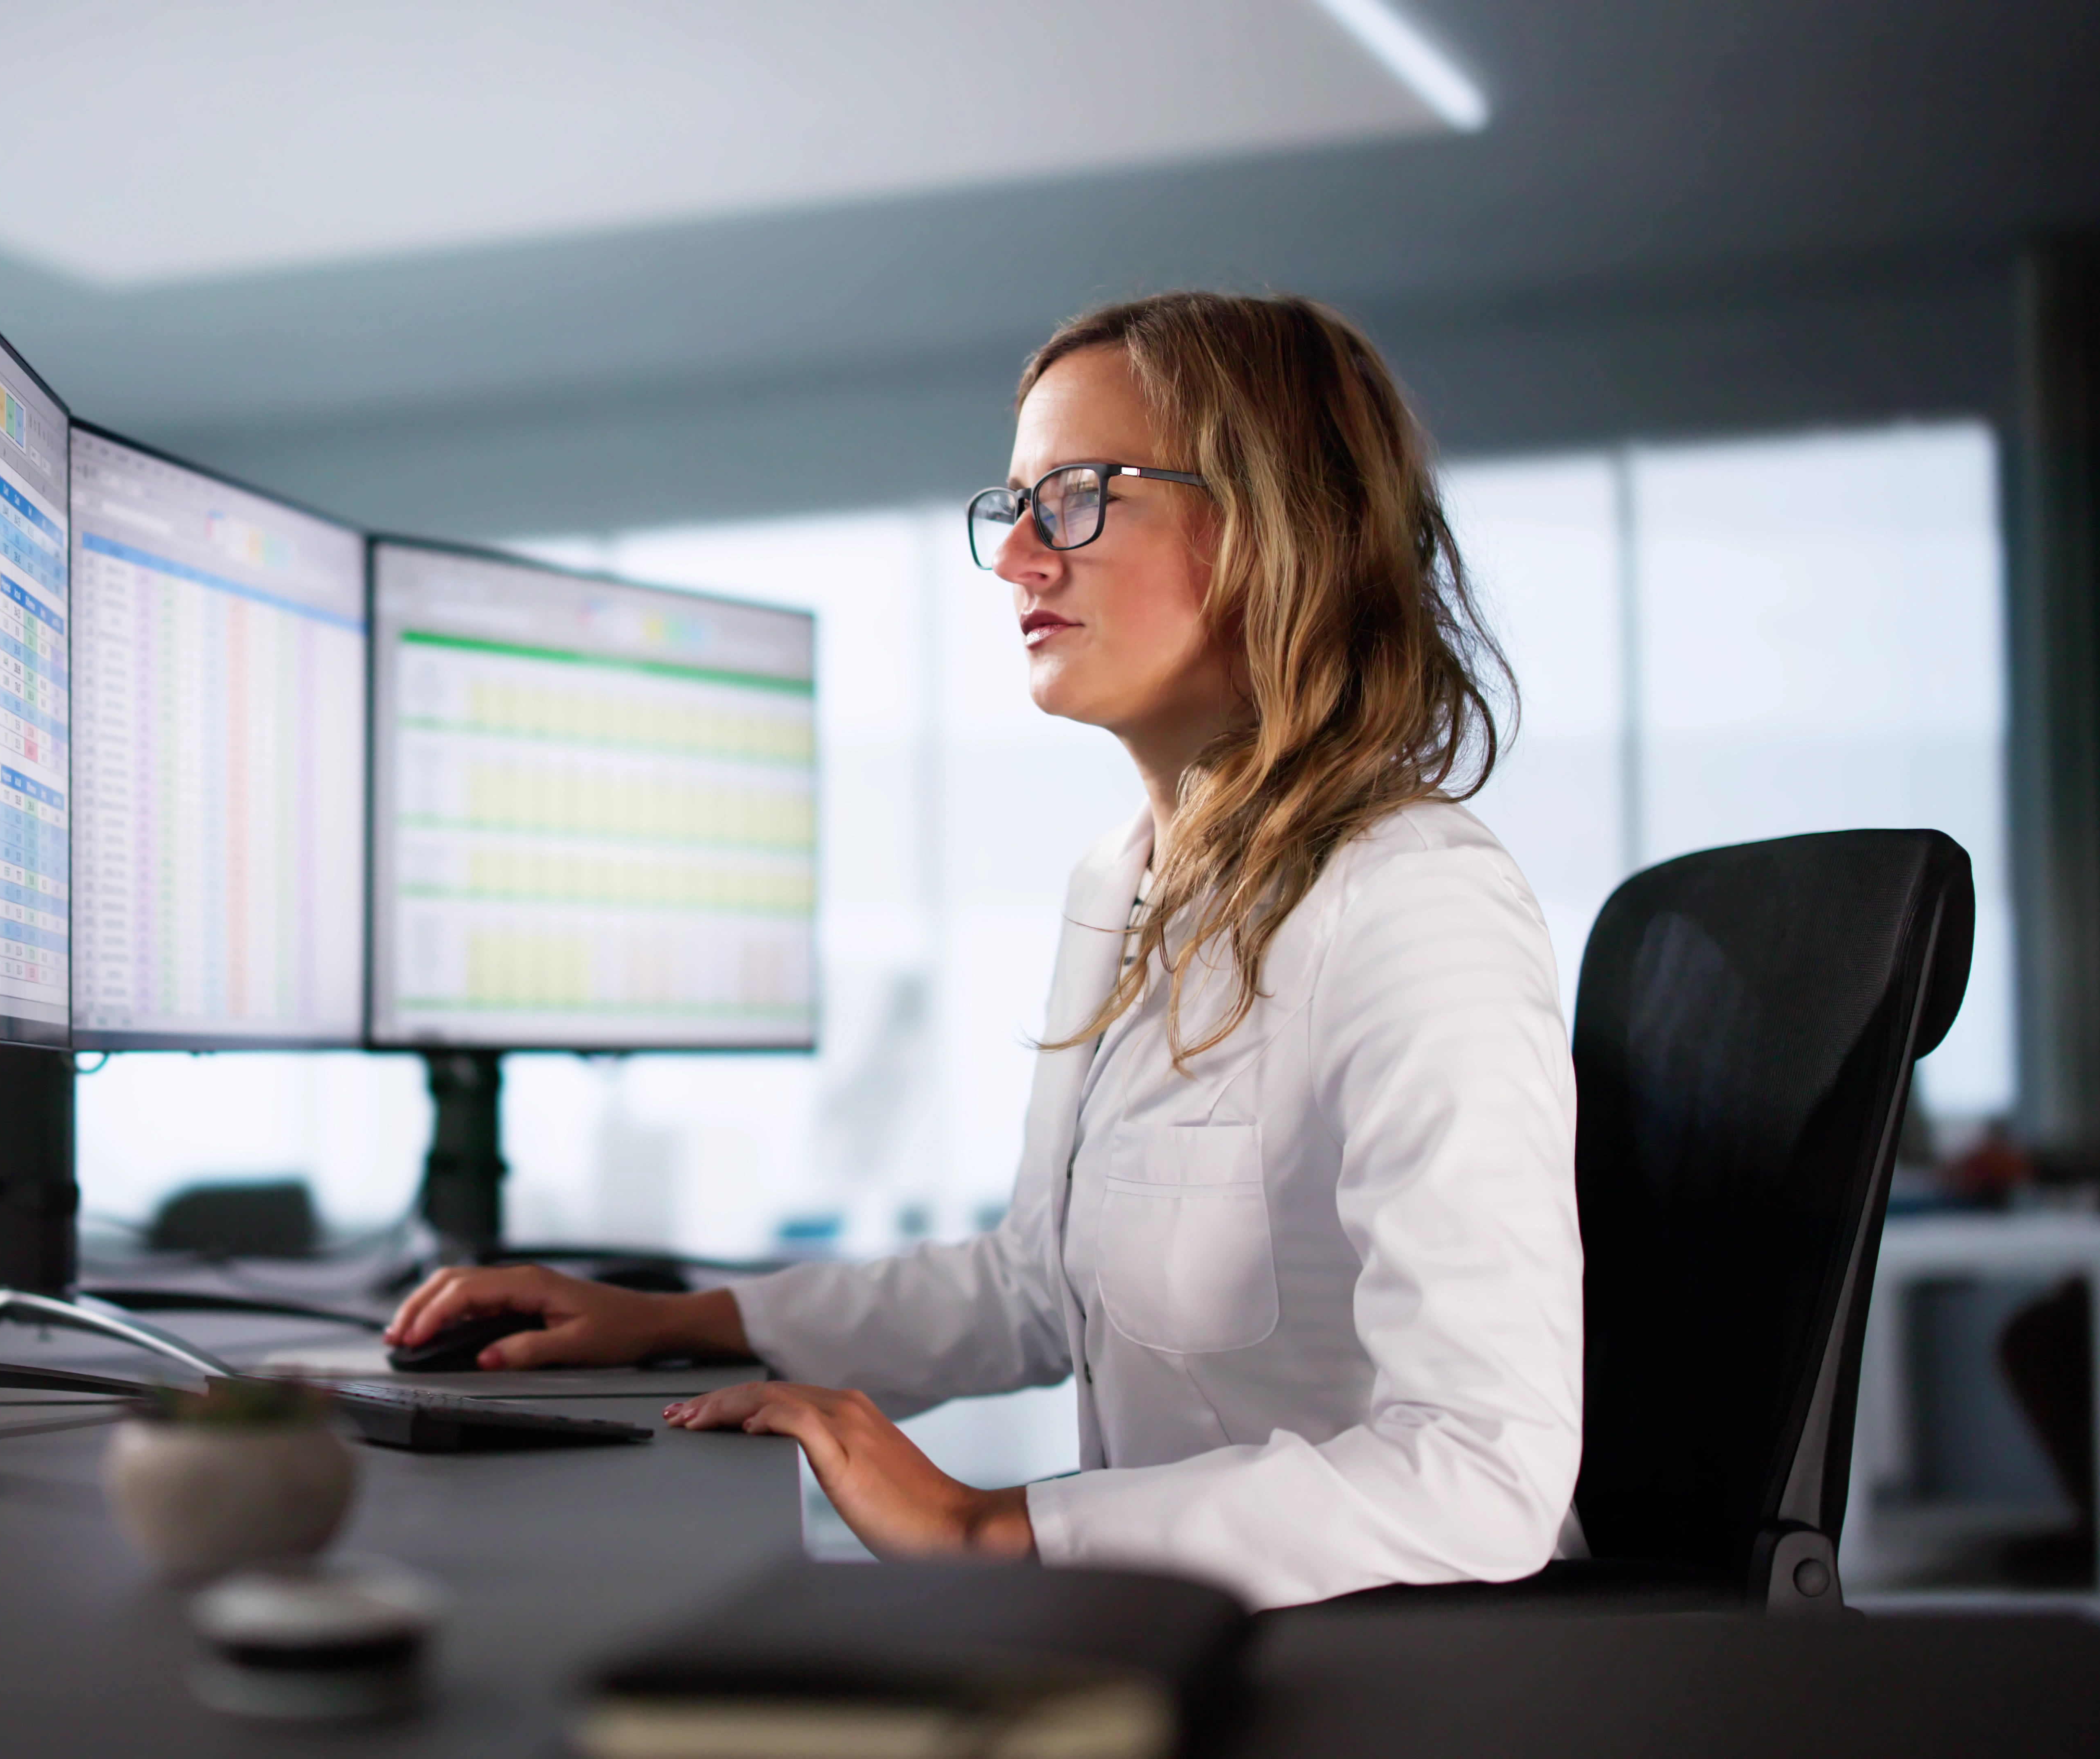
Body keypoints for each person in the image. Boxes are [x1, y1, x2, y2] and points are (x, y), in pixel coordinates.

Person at [384, 292, 1583, 1610]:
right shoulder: (1128, 881)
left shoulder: (1415, 905)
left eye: (1076, 497)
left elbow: (1484, 1473)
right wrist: (677, 1322)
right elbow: (1034, 1287)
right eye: (1012, 507)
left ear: (1275, 523)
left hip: (1376, 1654)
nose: (1015, 557)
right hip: (1169, 1629)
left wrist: (989, 1529)